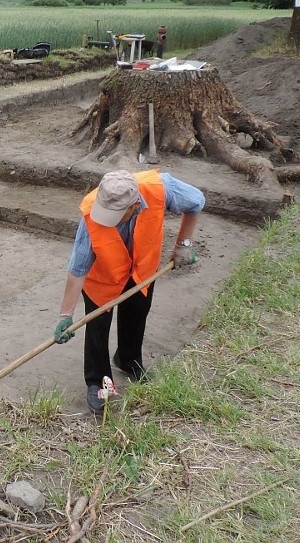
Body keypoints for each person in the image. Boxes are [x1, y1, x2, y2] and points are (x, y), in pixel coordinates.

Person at [53, 169, 204, 415]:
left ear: (134, 206)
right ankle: (100, 383)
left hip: (142, 267)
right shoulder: (92, 212)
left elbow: (197, 201)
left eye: (114, 215)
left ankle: (128, 360)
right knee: (97, 325)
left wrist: (184, 244)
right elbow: (78, 268)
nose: (104, 218)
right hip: (103, 275)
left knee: (137, 312)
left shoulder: (159, 188)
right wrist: (65, 315)